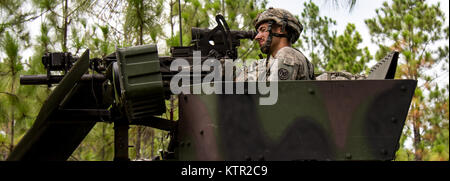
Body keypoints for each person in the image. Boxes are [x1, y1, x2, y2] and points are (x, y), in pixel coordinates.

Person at [235, 7, 315, 81]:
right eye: (258, 32)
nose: (257, 37)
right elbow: (237, 82)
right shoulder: (266, 63)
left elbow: (272, 93)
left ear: (281, 29)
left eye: (263, 30)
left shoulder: (287, 54)